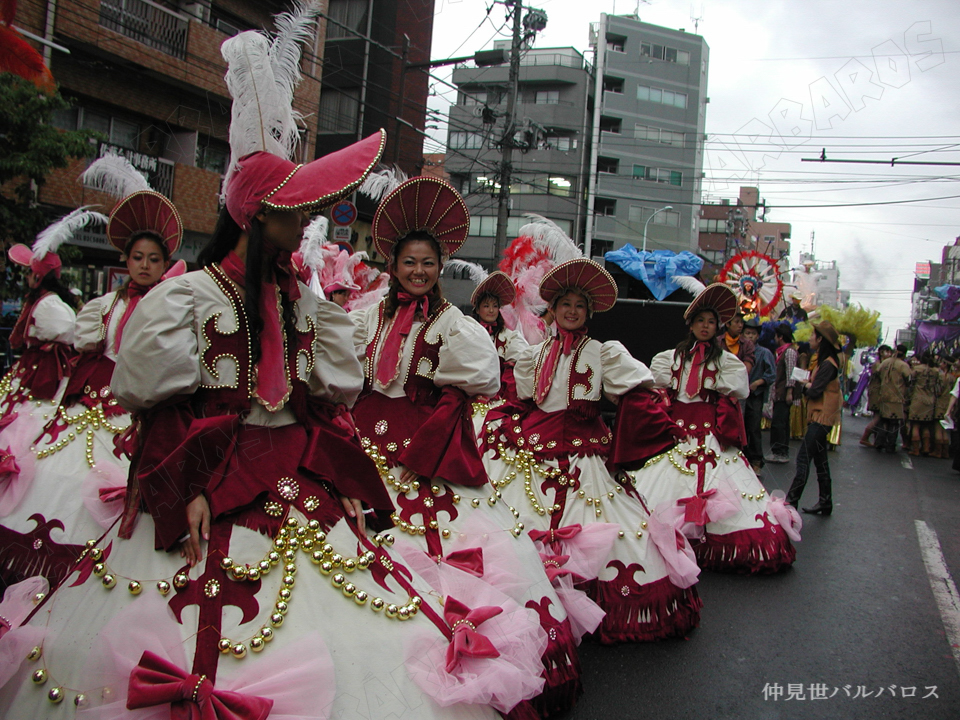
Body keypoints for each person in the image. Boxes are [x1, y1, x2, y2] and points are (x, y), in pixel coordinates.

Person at [0, 133, 539, 719]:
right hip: (210, 481)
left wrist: (342, 483)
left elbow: (324, 407)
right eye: (296, 207)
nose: (308, 216)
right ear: (261, 217)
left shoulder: (305, 304)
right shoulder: (190, 296)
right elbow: (157, 405)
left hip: (299, 477)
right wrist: (191, 483)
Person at [351, 176, 578, 717]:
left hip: (422, 451)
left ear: (440, 267)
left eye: (428, 263)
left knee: (436, 549)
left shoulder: (455, 324)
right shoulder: (366, 318)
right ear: (393, 265)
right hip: (363, 443)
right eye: (409, 262)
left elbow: (478, 379)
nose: (419, 271)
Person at [483, 257, 703, 641]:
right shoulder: (534, 355)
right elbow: (522, 401)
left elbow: (637, 393)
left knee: (604, 526)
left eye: (579, 305)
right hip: (533, 452)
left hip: (585, 456)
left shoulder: (603, 352)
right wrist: (500, 425)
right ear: (551, 310)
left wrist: (654, 434)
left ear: (589, 312)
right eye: (564, 304)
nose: (571, 311)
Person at [0, 191, 181, 587]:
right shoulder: (102, 306)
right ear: (125, 260)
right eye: (138, 258)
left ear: (165, 265)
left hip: (141, 406)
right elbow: (85, 348)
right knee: (62, 475)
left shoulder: (173, 307)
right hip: (95, 404)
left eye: (154, 260)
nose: (145, 266)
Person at [636, 283, 799, 573]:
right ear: (691, 324)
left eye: (711, 322)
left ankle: (711, 541)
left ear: (717, 327)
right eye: (701, 321)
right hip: (677, 435)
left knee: (718, 486)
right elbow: (660, 390)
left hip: (711, 436)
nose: (706, 326)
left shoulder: (727, 362)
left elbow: (738, 394)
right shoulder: (671, 358)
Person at [785, 321, 844, 515]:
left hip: (822, 418)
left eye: (813, 335)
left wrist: (807, 386)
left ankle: (790, 502)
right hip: (820, 417)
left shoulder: (828, 365)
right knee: (820, 460)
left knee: (803, 458)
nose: (810, 338)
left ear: (820, 339)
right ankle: (825, 502)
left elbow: (815, 390)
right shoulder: (824, 362)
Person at [741, 318, 776, 473]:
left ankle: (756, 461)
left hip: (755, 395)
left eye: (753, 334)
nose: (750, 336)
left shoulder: (764, 353)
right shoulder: (740, 350)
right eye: (747, 333)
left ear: (758, 336)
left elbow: (771, 374)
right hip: (740, 395)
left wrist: (758, 382)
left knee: (754, 427)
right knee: (740, 427)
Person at [767, 322, 798, 464]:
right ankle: (780, 450)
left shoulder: (789, 352)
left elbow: (791, 373)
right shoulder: (781, 352)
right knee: (780, 422)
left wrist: (789, 392)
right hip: (779, 392)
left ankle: (780, 451)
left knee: (780, 423)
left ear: (780, 337)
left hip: (783, 393)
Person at [874, 344, 912, 453]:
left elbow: (877, 373)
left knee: (883, 420)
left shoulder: (885, 362)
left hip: (884, 395)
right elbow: (909, 380)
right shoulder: (903, 365)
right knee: (894, 423)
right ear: (904, 354)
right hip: (896, 397)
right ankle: (890, 445)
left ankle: (879, 442)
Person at [906, 351, 941, 456]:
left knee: (915, 425)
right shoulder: (935, 371)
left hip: (918, 399)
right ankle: (926, 447)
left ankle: (915, 449)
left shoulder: (917, 369)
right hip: (930, 400)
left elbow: (910, 383)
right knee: (926, 425)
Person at [860, 345, 893, 446]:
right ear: (882, 352)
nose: (889, 354)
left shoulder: (880, 363)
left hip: (876, 392)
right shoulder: (878, 364)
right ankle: (865, 437)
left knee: (878, 416)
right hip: (877, 393)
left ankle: (875, 439)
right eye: (887, 352)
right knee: (878, 417)